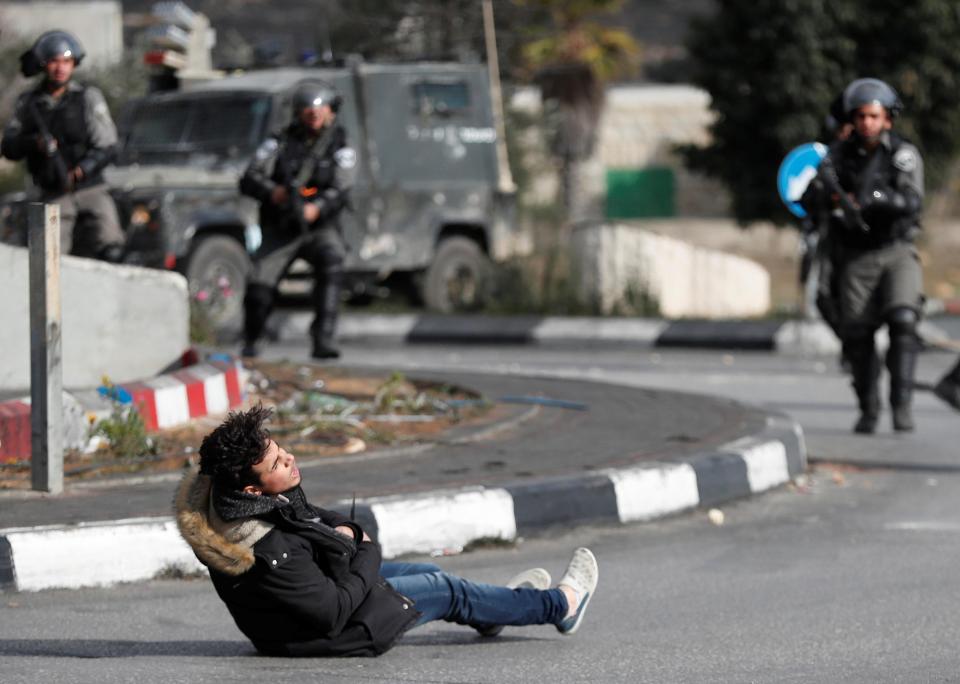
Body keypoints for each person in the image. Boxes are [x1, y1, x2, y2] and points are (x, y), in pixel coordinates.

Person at [175, 405, 600, 657]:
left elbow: (301, 518)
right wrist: (363, 548)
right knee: (444, 587)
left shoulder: (235, 498)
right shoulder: (267, 550)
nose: (289, 459)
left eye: (281, 450)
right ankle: (560, 606)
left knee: (425, 570)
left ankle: (496, 611)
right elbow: (333, 612)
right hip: (322, 636)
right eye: (277, 464)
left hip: (302, 607)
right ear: (252, 488)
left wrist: (340, 530)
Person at [803, 78, 924, 434]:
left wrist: (879, 198)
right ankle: (868, 406)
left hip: (896, 250)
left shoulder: (902, 155)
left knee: (904, 319)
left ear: (887, 119)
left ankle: (901, 404)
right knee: (857, 335)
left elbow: (913, 203)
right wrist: (825, 195)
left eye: (874, 116)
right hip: (855, 256)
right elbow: (811, 203)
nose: (867, 122)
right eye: (861, 116)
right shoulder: (835, 159)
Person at [239, 81, 355, 360]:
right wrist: (274, 193)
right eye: (307, 109)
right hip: (281, 226)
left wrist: (317, 208)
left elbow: (342, 187)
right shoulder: (278, 142)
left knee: (332, 262)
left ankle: (323, 338)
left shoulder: (340, 144)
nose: (313, 115)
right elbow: (248, 178)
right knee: (259, 287)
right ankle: (253, 339)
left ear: (330, 112)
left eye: (319, 109)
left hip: (319, 227)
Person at [1, 30, 125, 262]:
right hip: (54, 192)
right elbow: (9, 147)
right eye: (54, 61)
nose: (60, 68)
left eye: (66, 61)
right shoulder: (29, 103)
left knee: (112, 245)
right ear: (43, 65)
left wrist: (84, 169)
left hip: (90, 188)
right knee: (50, 257)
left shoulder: (87, 97)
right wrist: (33, 143)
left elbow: (107, 144)